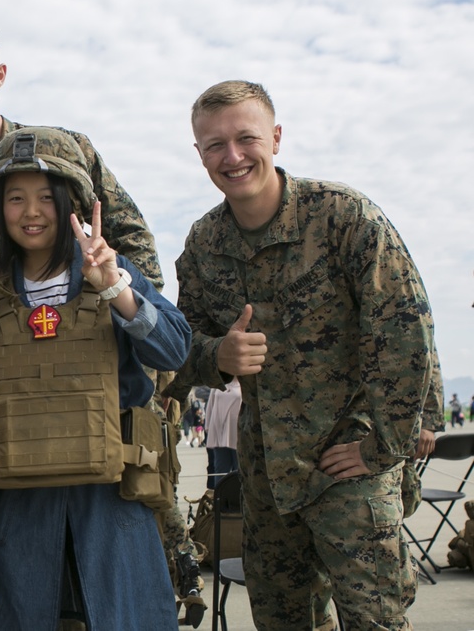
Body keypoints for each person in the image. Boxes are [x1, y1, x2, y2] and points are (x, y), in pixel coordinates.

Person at [170, 80, 439, 630]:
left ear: (276, 136)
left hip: (349, 460)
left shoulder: (344, 219)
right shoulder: (203, 245)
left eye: (246, 138)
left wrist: (383, 448)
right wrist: (216, 355)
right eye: (215, 145)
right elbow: (180, 345)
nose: (234, 156)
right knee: (283, 620)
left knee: (375, 619)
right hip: (267, 472)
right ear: (199, 154)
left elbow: (406, 331)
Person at [0, 127, 191, 630]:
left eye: (47, 196)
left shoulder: (112, 269)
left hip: (110, 502)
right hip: (19, 506)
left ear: (73, 204)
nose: (32, 212)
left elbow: (174, 347)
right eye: (16, 198)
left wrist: (116, 291)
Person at [0, 20, 162, 290]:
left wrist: (132, 310)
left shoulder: (65, 151)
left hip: (65, 326)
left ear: (0, 75)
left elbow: (133, 238)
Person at [204, 377, 241, 489]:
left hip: (237, 432)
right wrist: (208, 428)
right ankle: (219, 499)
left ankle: (238, 500)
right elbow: (210, 406)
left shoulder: (244, 384)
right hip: (219, 431)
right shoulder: (217, 383)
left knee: (238, 468)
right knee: (220, 469)